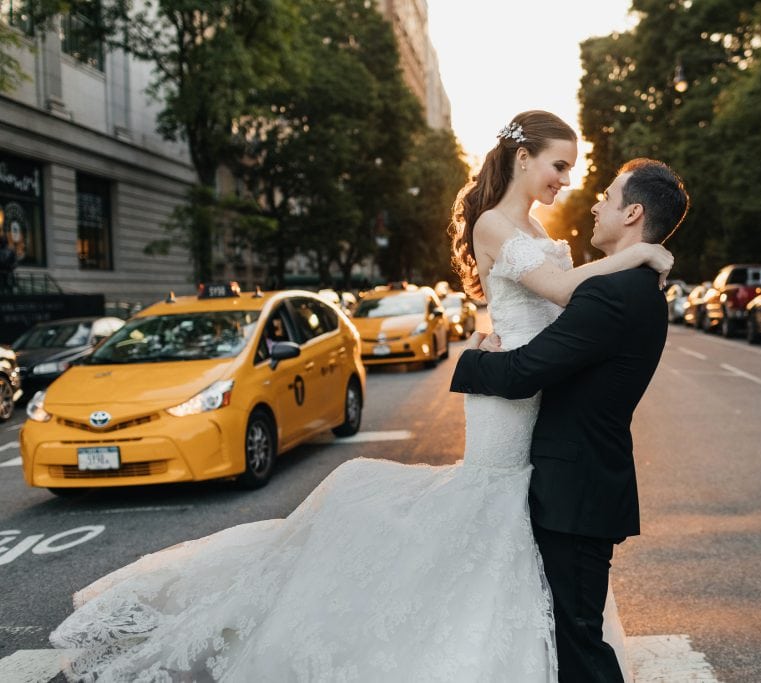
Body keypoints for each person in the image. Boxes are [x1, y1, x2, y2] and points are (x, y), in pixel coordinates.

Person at [48, 110, 674, 682]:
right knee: (492, 499)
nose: (568, 179)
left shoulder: (536, 227)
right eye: (559, 165)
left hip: (531, 384)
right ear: (522, 158)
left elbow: (547, 310)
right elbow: (562, 291)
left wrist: (508, 329)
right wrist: (640, 253)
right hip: (507, 394)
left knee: (514, 521)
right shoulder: (493, 223)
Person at [450, 156, 690, 682]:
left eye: (607, 195)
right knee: (567, 636)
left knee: (578, 644)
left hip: (576, 493)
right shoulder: (634, 286)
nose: (596, 203)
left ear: (633, 214)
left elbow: (523, 373)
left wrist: (471, 358)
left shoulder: (612, 295)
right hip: (579, 487)